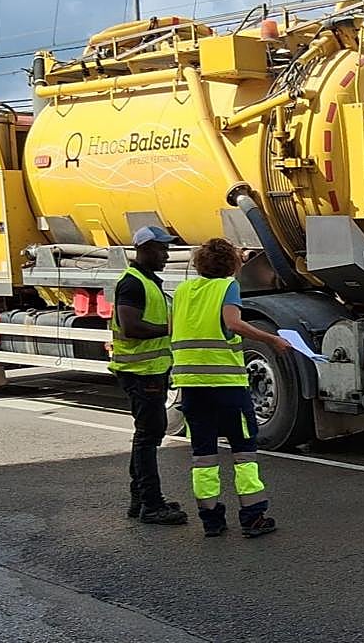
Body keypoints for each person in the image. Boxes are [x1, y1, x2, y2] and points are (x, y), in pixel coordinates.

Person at [171, 238, 292, 537]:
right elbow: (233, 324)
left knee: (203, 455)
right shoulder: (227, 287)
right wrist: (272, 340)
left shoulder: (183, 291)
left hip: (191, 386)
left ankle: (211, 520)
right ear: (232, 265)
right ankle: (252, 517)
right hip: (226, 386)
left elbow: (173, 331)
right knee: (243, 451)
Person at [109, 225, 187, 526]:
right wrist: (171, 329)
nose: (166, 255)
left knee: (147, 436)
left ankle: (141, 499)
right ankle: (152, 505)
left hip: (147, 372)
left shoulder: (146, 281)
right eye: (160, 249)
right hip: (141, 374)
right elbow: (131, 327)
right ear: (142, 249)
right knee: (148, 438)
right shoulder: (133, 284)